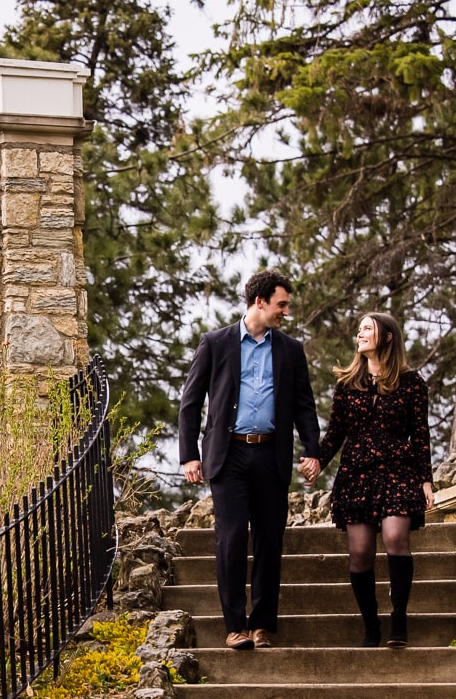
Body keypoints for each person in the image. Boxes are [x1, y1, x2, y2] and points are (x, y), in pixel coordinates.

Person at [178, 269, 322, 650]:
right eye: (281, 304)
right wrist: (189, 456)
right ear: (259, 301)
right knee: (230, 539)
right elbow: (190, 404)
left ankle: (261, 626)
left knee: (270, 541)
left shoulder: (290, 350)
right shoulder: (215, 343)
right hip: (229, 455)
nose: (285, 312)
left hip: (272, 453)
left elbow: (305, 406)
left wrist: (312, 450)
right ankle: (234, 627)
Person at [313, 312, 434, 648]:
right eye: (359, 329)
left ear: (388, 337)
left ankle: (399, 617)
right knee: (361, 552)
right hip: (357, 474)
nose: (360, 334)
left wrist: (426, 481)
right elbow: (335, 433)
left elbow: (420, 434)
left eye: (368, 328)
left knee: (396, 537)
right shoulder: (346, 384)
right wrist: (318, 463)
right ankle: (371, 625)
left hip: (398, 469)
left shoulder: (412, 383)